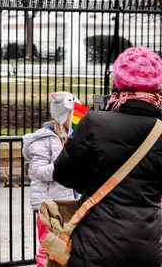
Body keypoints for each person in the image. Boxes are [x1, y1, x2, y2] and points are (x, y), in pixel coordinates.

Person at [53, 46, 162, 267]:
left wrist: (92, 182)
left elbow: (63, 172)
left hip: (96, 239)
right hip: (147, 242)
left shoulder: (96, 122)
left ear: (118, 82)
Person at [22, 91, 78, 267]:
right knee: (48, 248)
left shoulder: (73, 138)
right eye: (74, 115)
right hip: (50, 206)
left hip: (70, 202)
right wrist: (61, 167)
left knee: (69, 247)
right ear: (63, 116)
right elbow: (37, 171)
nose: (78, 120)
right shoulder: (45, 138)